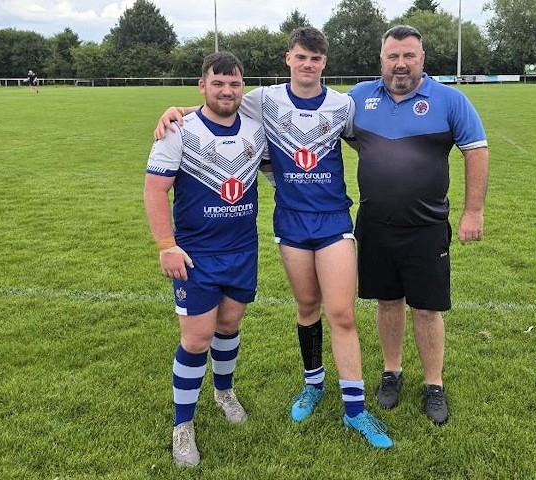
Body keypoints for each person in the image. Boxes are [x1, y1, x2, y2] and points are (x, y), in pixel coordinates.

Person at [155, 27, 392, 449]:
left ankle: (355, 409)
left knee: (342, 314)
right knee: (306, 307)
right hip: (291, 223)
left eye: (316, 59)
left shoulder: (344, 105)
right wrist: (175, 110)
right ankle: (313, 386)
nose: (308, 64)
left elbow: (367, 144)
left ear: (324, 63)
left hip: (334, 219)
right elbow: (217, 104)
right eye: (301, 57)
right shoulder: (264, 100)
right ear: (289, 58)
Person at [347, 25, 489, 426]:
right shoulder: (357, 99)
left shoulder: (449, 100)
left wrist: (473, 211)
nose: (401, 64)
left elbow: (476, 151)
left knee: (427, 308)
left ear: (422, 59)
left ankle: (434, 384)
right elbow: (302, 114)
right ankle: (391, 372)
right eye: (393, 56)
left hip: (427, 227)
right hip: (374, 224)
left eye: (409, 55)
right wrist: (190, 113)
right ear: (381, 61)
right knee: (387, 301)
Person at [144, 51, 268, 467]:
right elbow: (154, 190)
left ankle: (224, 391)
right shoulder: (179, 130)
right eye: (218, 83)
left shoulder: (256, 129)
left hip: (242, 250)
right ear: (203, 86)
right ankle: (183, 425)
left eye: (234, 84)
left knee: (229, 325)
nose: (227, 91)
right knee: (196, 339)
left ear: (242, 86)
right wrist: (166, 244)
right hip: (196, 256)